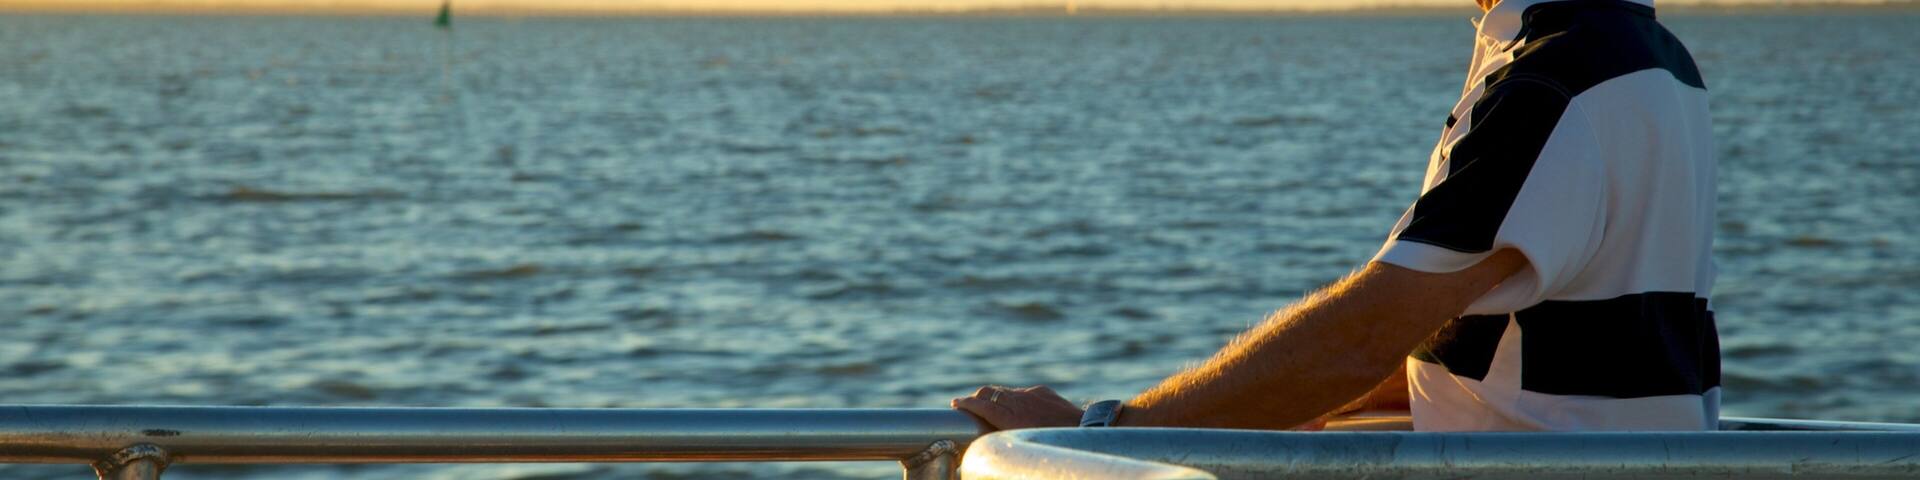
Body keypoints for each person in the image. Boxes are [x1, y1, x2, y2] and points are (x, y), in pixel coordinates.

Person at [956, 0, 1718, 432]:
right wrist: (1295, 404)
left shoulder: (1555, 81)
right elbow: (1517, 347)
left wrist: (1102, 434)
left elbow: (1358, 339)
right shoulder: (1653, 58)